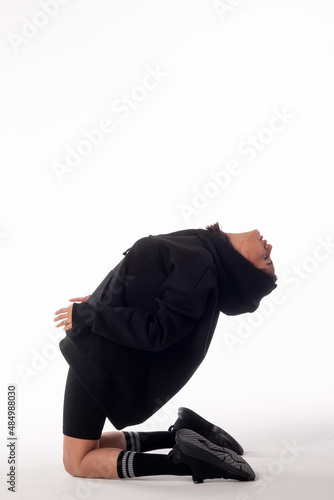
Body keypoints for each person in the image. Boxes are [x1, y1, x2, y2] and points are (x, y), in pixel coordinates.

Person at [54, 222, 277, 483]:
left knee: (78, 461)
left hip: (101, 358)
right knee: (88, 449)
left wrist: (94, 315)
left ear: (244, 269)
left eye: (266, 259)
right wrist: (100, 300)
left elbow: (158, 332)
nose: (268, 246)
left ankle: (186, 462)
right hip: (102, 349)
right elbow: (144, 285)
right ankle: (183, 436)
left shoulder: (199, 261)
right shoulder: (199, 242)